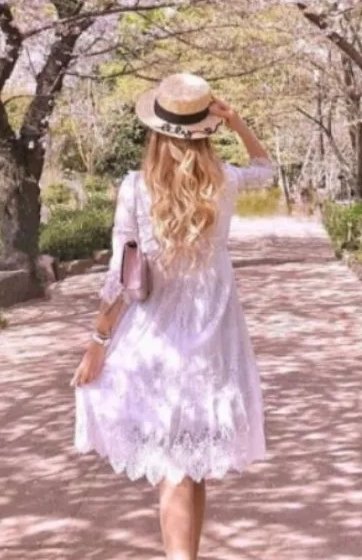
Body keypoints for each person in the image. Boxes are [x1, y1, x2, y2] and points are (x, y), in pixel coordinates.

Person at [72, 72, 276, 560]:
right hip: (213, 336)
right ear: (205, 130)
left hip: (158, 336)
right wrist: (239, 122)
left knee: (179, 466)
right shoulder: (222, 180)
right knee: (189, 465)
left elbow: (121, 276)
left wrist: (98, 343)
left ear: (156, 132)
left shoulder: (136, 188)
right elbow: (266, 167)